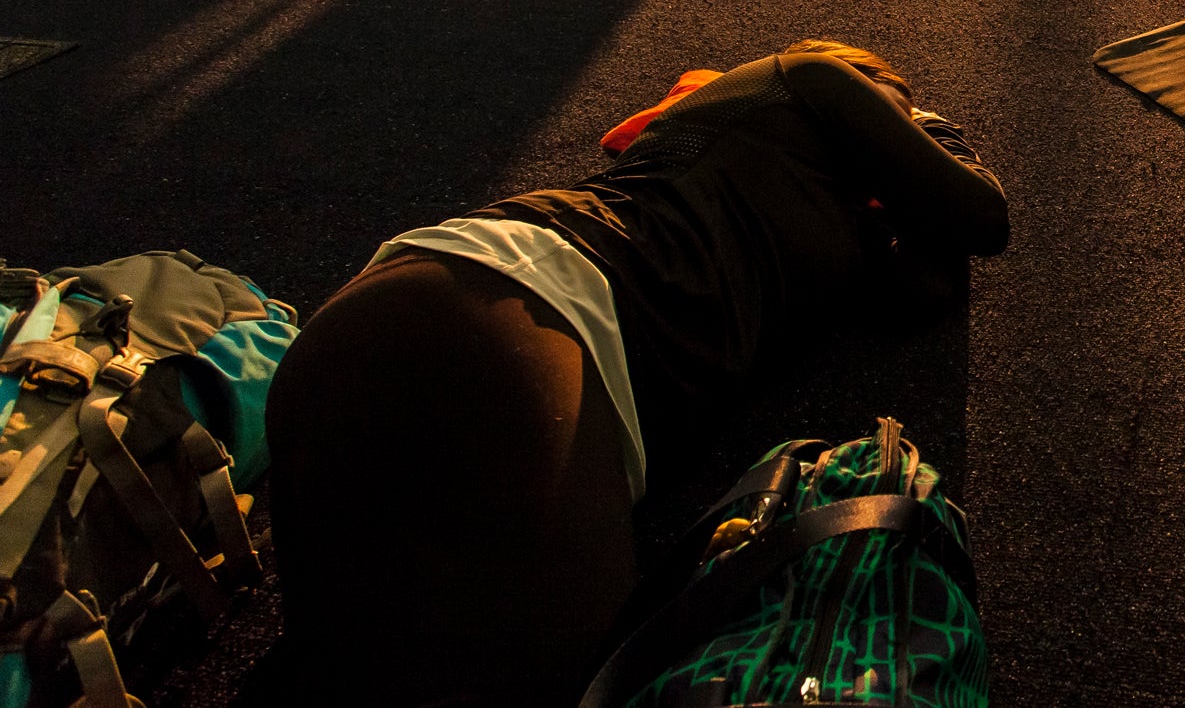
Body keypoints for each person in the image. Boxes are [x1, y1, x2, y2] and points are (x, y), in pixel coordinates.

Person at [264, 40, 1008, 706]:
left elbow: (928, 287)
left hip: (459, 317)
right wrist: (927, 126)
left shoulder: (817, 200)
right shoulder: (805, 77)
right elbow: (983, 216)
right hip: (525, 306)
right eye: (899, 110)